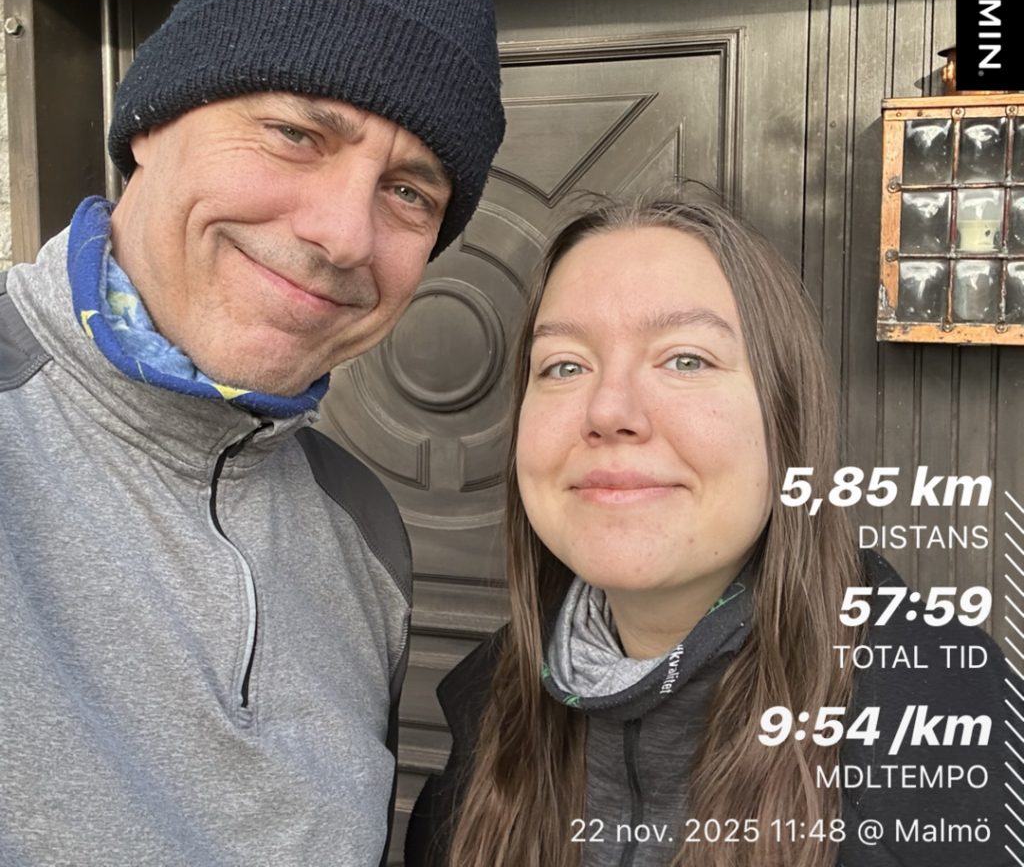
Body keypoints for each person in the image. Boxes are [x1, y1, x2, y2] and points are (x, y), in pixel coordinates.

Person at [0, 0, 504, 866]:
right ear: (150, 123)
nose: (343, 234)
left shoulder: (363, 529)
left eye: (409, 191)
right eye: (295, 134)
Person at [405, 198, 1010, 867]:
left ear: (786, 421)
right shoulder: (487, 710)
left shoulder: (950, 739)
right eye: (564, 366)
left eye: (686, 360)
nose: (608, 410)